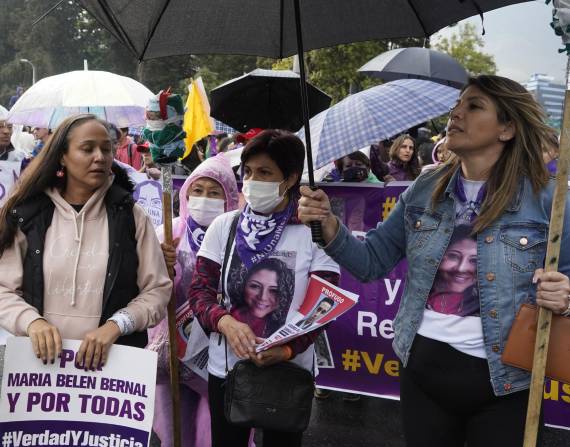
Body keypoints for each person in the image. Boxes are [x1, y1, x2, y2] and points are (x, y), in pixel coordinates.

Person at [298, 75, 570, 447]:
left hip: (506, 382)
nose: (456, 113)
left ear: (507, 128)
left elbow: (565, 284)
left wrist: (564, 296)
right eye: (458, 105)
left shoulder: (549, 200)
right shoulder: (424, 189)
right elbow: (370, 262)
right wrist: (329, 224)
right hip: (422, 372)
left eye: (474, 106)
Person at [189, 129, 339, 447]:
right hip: (227, 370)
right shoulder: (224, 226)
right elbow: (200, 291)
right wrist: (225, 323)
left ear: (290, 178)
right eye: (248, 171)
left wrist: (287, 349)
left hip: (289, 372)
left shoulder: (314, 232)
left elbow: (325, 304)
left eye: (265, 172)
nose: (252, 180)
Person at [0, 114, 171, 370]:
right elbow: (3, 290)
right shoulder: (28, 216)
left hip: (111, 374)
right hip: (38, 371)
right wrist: (32, 322)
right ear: (62, 156)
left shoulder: (131, 216)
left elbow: (157, 290)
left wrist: (117, 325)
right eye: (87, 149)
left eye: (106, 149)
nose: (99, 157)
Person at [147, 153, 239, 447]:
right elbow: (147, 288)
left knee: (217, 427)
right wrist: (162, 266)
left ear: (229, 198)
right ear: (185, 194)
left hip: (220, 347)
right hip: (174, 346)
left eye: (214, 193)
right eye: (197, 190)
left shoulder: (239, 236)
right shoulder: (168, 232)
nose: (204, 199)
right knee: (176, 425)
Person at [228, 257, 295, 337]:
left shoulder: (287, 319)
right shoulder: (232, 317)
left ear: (284, 294)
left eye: (274, 290)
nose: (263, 297)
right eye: (255, 286)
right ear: (242, 285)